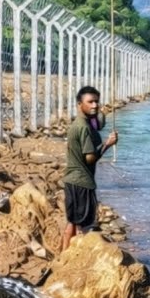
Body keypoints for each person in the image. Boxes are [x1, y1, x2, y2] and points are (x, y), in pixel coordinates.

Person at [63, 85, 119, 251]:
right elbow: (90, 158)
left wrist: (102, 110)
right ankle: (81, 260)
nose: (95, 105)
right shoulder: (84, 128)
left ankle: (62, 258)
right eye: (90, 102)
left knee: (71, 223)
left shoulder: (81, 123)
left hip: (71, 180)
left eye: (96, 102)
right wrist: (107, 144)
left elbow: (99, 122)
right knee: (87, 228)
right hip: (83, 183)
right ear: (80, 104)